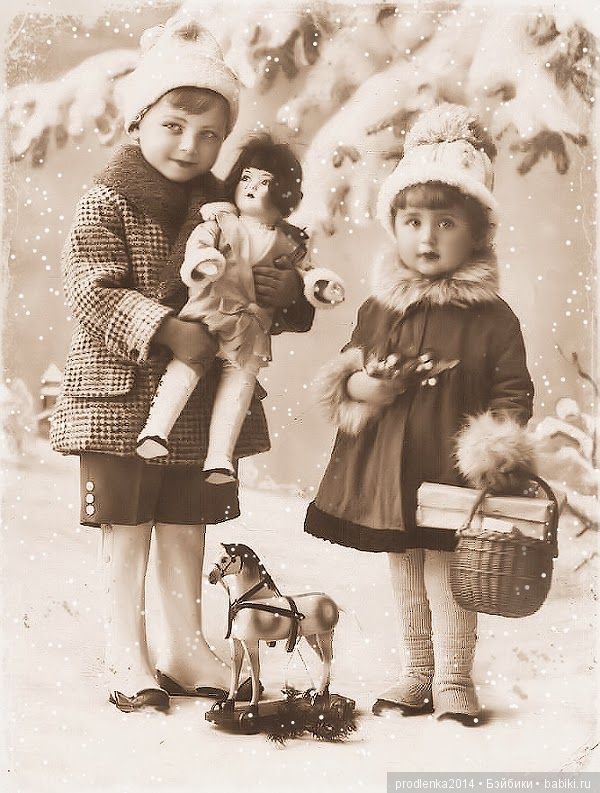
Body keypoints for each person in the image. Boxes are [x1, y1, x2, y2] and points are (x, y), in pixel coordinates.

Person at [50, 17, 314, 713]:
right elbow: (88, 288)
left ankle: (184, 645)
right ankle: (126, 649)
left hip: (194, 405)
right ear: (139, 119)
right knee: (127, 524)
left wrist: (282, 291)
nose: (190, 146)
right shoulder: (107, 199)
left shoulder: (228, 213)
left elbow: (251, 297)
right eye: (173, 126)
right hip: (120, 394)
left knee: (184, 522)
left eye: (209, 135)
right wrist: (163, 327)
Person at [304, 104, 536, 726]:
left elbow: (513, 392)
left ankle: (454, 679)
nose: (426, 238)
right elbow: (352, 362)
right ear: (395, 227)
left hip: (450, 468)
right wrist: (362, 387)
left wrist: (494, 448)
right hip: (391, 466)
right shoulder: (381, 307)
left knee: (449, 570)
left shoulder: (493, 319)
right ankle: (416, 670)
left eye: (446, 222)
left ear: (477, 233)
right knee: (405, 565)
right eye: (412, 222)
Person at [136, 134, 345, 483]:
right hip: (211, 312)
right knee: (186, 366)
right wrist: (204, 262)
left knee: (239, 385)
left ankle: (220, 457)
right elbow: (199, 246)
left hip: (250, 328)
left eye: (264, 182)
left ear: (284, 193)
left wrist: (316, 285)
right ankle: (155, 430)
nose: (250, 187)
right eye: (246, 178)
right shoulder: (219, 222)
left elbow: (307, 271)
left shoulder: (289, 241)